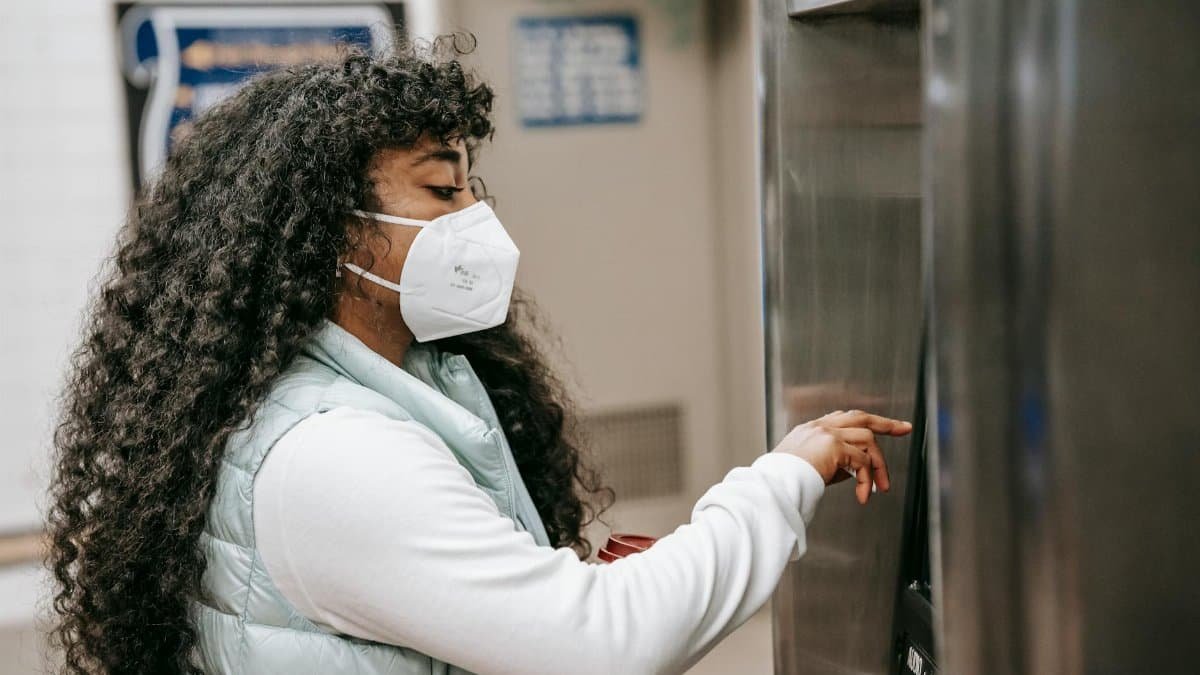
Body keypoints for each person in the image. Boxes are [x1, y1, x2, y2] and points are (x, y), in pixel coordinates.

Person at [47, 37, 910, 675]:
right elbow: (603, 644)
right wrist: (785, 475)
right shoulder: (331, 455)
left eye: (469, 186)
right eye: (440, 188)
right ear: (329, 230)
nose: (473, 217)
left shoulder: (390, 378)